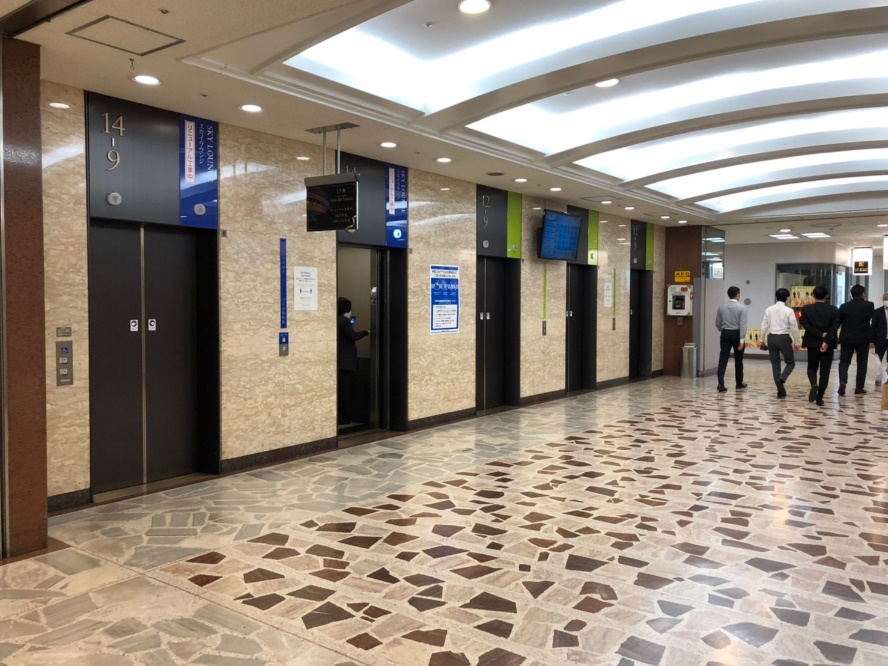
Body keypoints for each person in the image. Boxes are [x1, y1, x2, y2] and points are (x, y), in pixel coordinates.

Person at [799, 285, 840, 406]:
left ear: (813, 295)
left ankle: (814, 384)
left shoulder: (806, 309)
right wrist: (826, 340)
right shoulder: (834, 310)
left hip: (812, 342)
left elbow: (805, 325)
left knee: (812, 367)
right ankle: (820, 397)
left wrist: (820, 334)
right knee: (825, 371)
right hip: (829, 344)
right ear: (827, 296)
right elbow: (835, 327)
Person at [760, 287, 800, 399]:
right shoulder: (789, 311)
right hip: (784, 338)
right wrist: (797, 342)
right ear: (787, 298)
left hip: (771, 338)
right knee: (790, 363)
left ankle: (780, 391)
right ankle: (782, 378)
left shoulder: (769, 309)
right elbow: (794, 327)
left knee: (775, 364)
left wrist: (761, 340)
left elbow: (764, 326)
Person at [837, 284, 875, 396]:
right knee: (862, 363)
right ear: (863, 294)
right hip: (863, 338)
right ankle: (859, 387)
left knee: (844, 361)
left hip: (847, 337)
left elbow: (839, 321)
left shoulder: (844, 306)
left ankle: (843, 381)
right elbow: (871, 320)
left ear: (851, 294)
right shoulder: (869, 305)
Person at [337, 296, 369, 425]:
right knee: (346, 391)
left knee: (341, 390)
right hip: (347, 363)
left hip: (340, 362)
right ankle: (344, 418)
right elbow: (353, 336)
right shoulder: (344, 321)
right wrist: (365, 332)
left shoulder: (337, 320)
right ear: (347, 309)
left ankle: (341, 417)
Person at [714, 285, 748, 392]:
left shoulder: (722, 307)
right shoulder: (742, 308)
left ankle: (720, 384)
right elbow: (743, 325)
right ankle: (739, 383)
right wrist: (742, 340)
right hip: (737, 334)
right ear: (737, 295)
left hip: (725, 333)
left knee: (723, 358)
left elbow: (717, 322)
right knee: (739, 360)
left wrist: (722, 329)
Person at [872, 291, 888, 386]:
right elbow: (873, 327)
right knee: (878, 359)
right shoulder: (877, 312)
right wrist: (872, 340)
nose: (886, 301)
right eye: (885, 299)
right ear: (882, 300)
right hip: (880, 339)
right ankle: (878, 378)